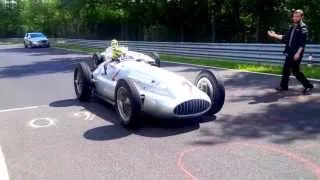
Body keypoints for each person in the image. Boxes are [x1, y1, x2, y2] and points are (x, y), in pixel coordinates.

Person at [267, 9, 314, 94]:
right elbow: (285, 38)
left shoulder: (303, 28)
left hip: (296, 53)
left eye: (297, 17)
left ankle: (307, 85)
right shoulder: (292, 27)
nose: (295, 18)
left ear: (301, 17)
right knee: (288, 69)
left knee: (294, 71)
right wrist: (274, 35)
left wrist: (298, 53)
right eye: (294, 16)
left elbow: (302, 43)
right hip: (290, 52)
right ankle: (285, 86)